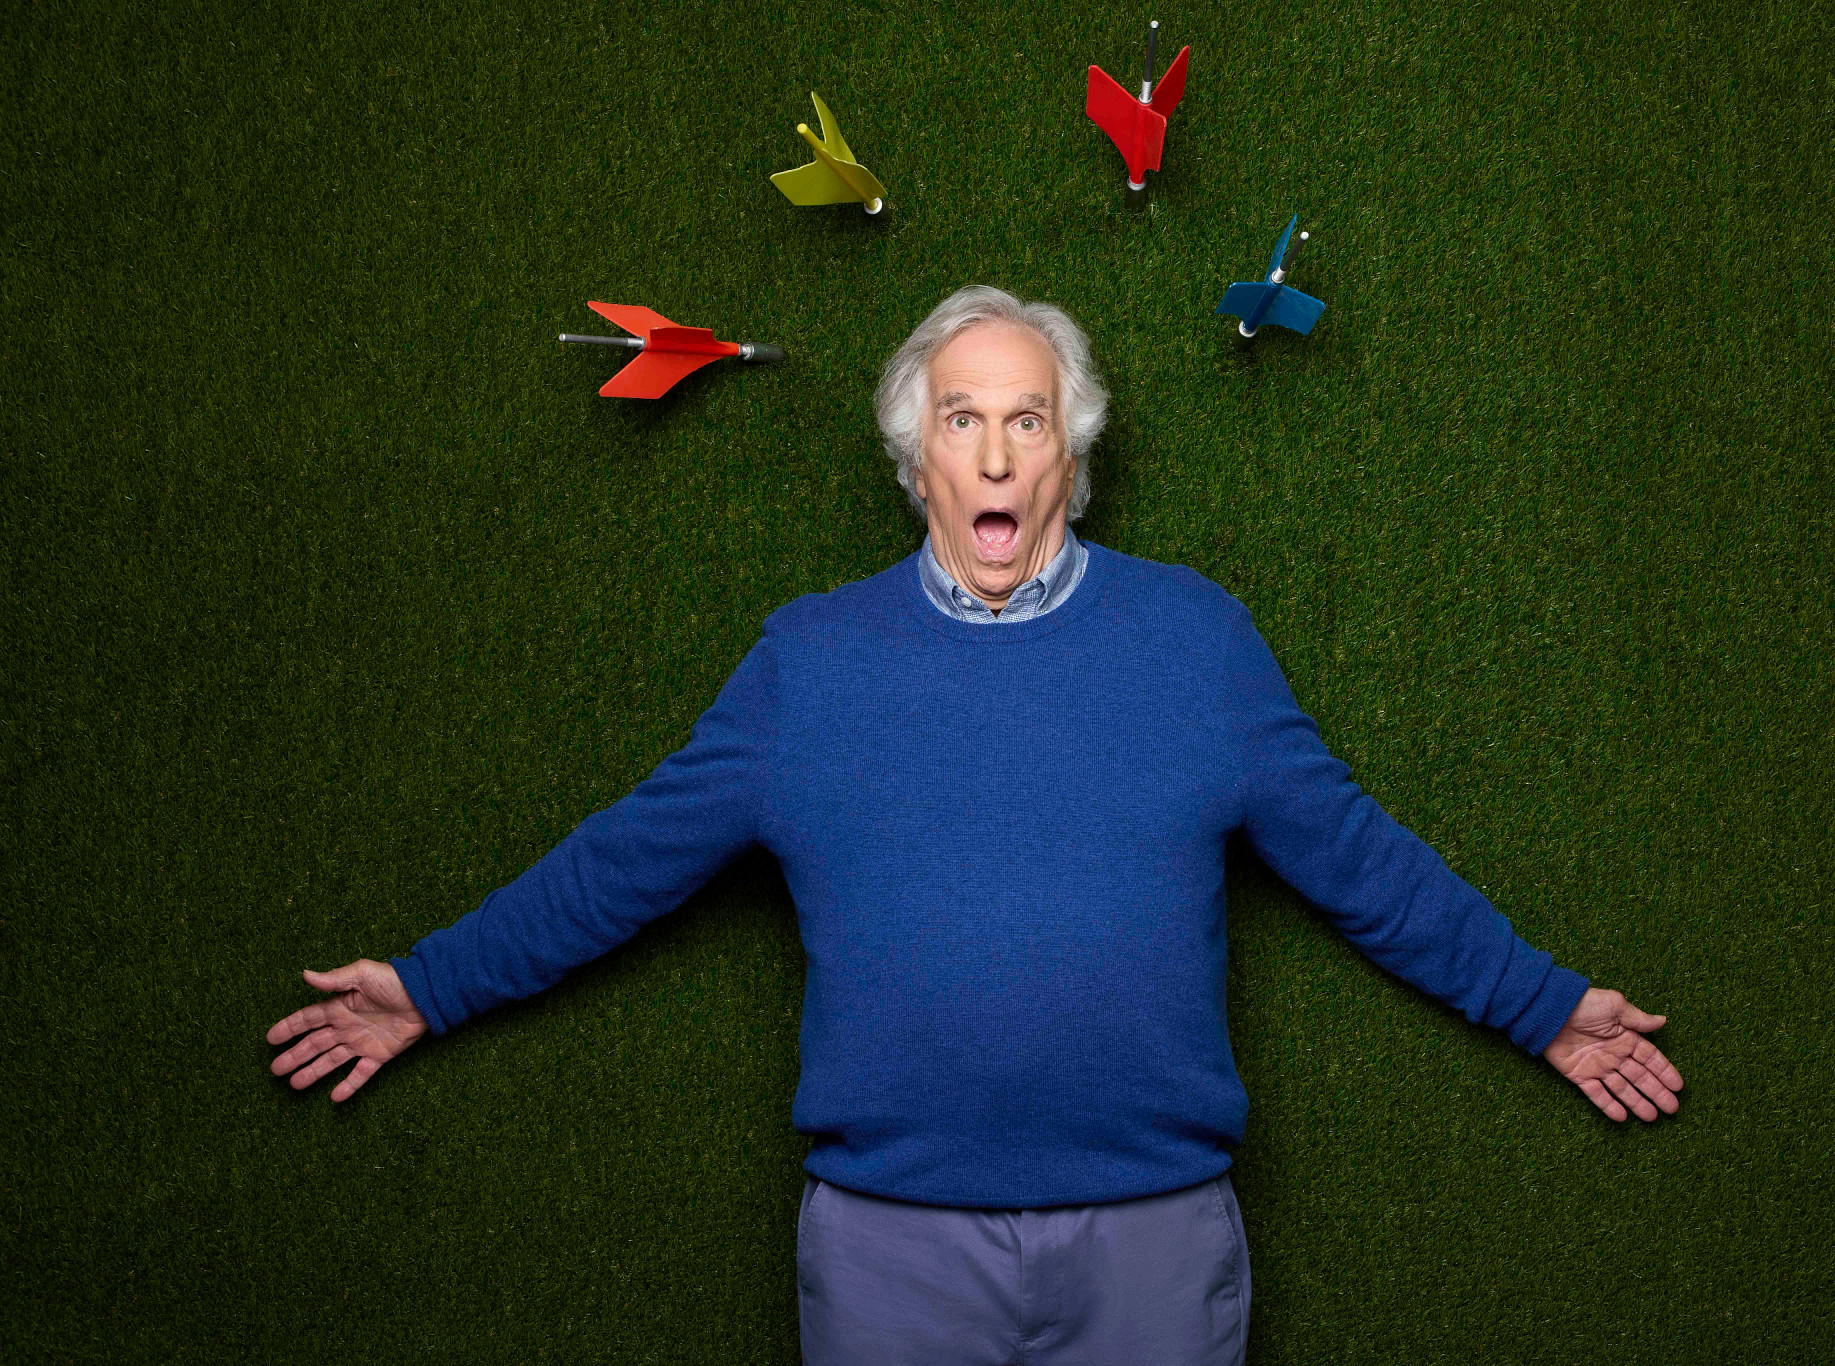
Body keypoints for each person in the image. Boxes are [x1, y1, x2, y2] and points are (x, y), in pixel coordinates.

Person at [268, 285, 1683, 1365]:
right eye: (962, 420)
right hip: (889, 1252)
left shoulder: (1196, 642)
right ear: (917, 461)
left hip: (1155, 1240)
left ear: (1069, 454)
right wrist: (431, 986)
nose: (996, 454)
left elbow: (1360, 862)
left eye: (1026, 420)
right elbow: (625, 861)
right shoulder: (808, 664)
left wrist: (1542, 1007)